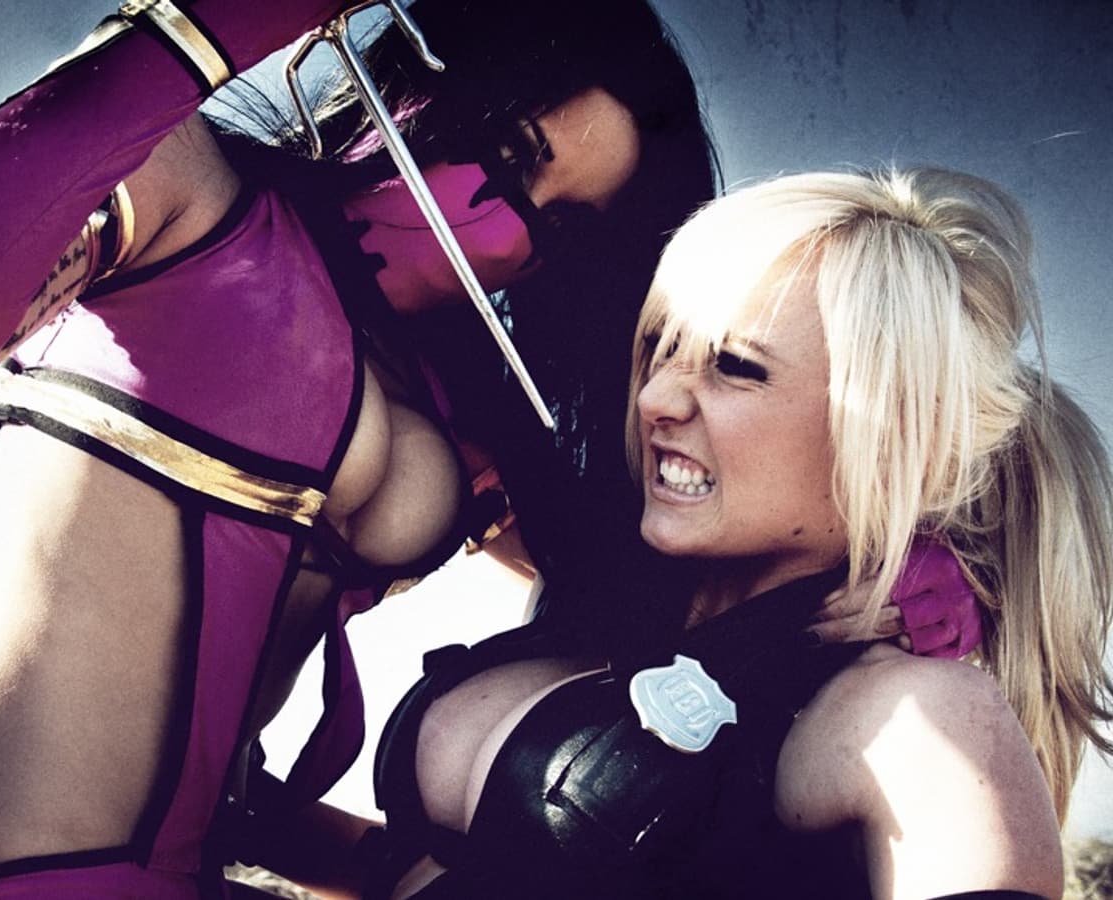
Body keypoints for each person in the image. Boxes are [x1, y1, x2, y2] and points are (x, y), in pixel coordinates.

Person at [0, 1, 970, 897]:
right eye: (508, 152)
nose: (505, 234)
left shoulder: (467, 418)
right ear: (418, 86)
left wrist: (867, 568)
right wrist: (207, 29)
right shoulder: (184, 203)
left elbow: (661, 593)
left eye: (562, 224)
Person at [353, 167, 1113, 899]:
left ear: (895, 439)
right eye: (660, 347)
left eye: (735, 366)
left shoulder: (915, 713)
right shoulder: (605, 583)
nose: (654, 397)